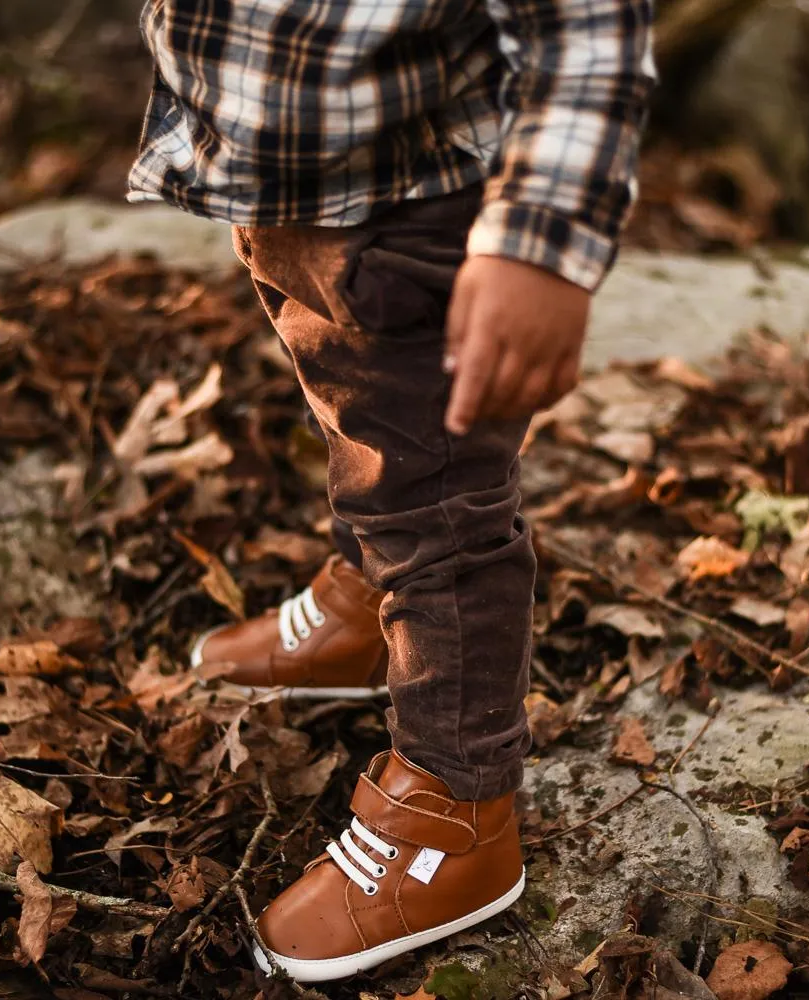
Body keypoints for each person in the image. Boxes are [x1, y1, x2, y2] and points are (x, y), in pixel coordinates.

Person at [129, 0, 654, 983]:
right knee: (364, 431)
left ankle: (456, 810)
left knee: (439, 506)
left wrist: (543, 241)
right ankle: (374, 605)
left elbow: (587, 27)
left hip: (417, 196)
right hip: (282, 174)